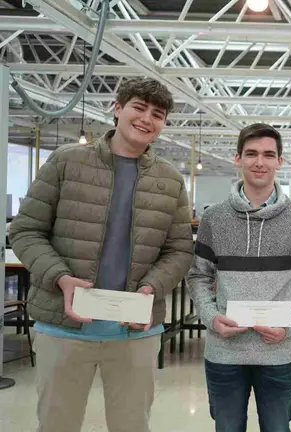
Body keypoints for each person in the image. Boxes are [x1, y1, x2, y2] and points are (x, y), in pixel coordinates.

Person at [9, 78, 193, 432]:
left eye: (157, 113)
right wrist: (61, 278)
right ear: (117, 108)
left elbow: (179, 249)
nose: (146, 119)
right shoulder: (67, 161)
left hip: (135, 331)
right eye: (139, 107)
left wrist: (152, 287)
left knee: (131, 425)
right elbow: (25, 230)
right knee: (56, 424)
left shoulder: (169, 180)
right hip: (64, 328)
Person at [187, 123, 291, 432]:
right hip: (225, 351)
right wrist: (211, 317)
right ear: (237, 159)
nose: (259, 162)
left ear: (280, 161)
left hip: (280, 353)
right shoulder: (214, 218)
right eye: (251, 154)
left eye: (268, 154)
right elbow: (198, 276)